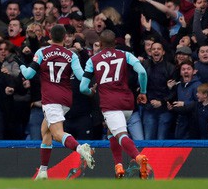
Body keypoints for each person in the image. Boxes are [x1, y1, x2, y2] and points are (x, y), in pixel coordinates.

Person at [20, 24, 95, 180]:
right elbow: (81, 77)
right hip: (66, 99)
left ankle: (81, 149)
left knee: (56, 133)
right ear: (64, 37)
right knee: (45, 131)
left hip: (50, 98)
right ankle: (43, 171)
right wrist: (90, 84)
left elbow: (28, 74)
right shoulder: (71, 55)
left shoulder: (42, 52)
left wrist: (20, 63)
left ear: (50, 36)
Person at [80, 30, 150, 179]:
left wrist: (91, 92)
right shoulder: (126, 55)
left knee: (120, 134)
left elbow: (82, 87)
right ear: (115, 43)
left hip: (110, 104)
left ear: (101, 42)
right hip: (127, 102)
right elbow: (142, 72)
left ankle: (138, 158)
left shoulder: (93, 60)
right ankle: (118, 166)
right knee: (111, 132)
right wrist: (143, 91)